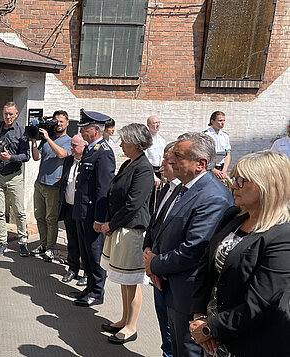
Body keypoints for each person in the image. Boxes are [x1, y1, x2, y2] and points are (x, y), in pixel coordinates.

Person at [189, 150, 290, 357]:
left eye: (242, 180)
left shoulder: (282, 235)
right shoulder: (233, 215)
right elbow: (205, 266)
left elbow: (260, 304)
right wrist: (199, 316)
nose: (234, 185)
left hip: (249, 342)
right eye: (234, 178)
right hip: (212, 337)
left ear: (268, 186)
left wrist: (210, 328)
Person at [143, 132, 234, 357]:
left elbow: (194, 249)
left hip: (189, 293)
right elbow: (163, 227)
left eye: (178, 156)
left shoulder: (212, 196)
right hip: (170, 283)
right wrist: (151, 257)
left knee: (188, 350)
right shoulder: (185, 188)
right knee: (174, 346)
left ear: (200, 164)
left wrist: (154, 264)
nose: (170, 160)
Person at [100, 123, 154, 344]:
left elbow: (133, 204)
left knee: (131, 279)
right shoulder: (129, 163)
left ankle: (131, 327)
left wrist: (111, 225)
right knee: (124, 279)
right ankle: (124, 319)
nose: (120, 143)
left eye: (124, 140)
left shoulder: (144, 168)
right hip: (121, 227)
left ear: (135, 142)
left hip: (132, 229)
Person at [70, 109, 115, 307]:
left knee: (95, 254)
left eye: (85, 129)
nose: (81, 133)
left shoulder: (104, 153)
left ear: (96, 129)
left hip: (92, 215)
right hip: (81, 211)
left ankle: (97, 292)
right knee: (86, 253)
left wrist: (99, 218)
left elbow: (103, 190)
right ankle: (89, 286)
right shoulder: (90, 149)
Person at [143, 142, 180, 357]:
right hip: (156, 268)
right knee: (165, 330)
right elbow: (155, 222)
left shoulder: (189, 194)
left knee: (175, 333)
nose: (162, 165)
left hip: (170, 272)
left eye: (168, 161)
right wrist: (147, 250)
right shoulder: (166, 188)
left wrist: (155, 264)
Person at [0, 101, 31, 257]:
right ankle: (2, 242)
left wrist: (10, 157)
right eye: (6, 114)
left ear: (16, 114)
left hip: (14, 176)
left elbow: (26, 156)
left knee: (19, 211)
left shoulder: (22, 132)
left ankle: (23, 242)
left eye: (11, 114)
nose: (8, 117)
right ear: (3, 114)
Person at [30, 110, 71, 262]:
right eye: (56, 121)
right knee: (40, 217)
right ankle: (43, 245)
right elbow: (36, 157)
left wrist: (48, 138)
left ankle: (51, 249)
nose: (58, 124)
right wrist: (34, 141)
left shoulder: (68, 140)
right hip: (40, 182)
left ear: (67, 123)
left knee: (51, 219)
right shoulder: (47, 139)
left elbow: (62, 154)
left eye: (61, 121)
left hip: (54, 184)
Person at [58, 134, 88, 284]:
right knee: (72, 240)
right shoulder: (69, 160)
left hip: (82, 210)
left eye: (74, 146)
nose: (71, 148)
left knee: (85, 242)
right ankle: (73, 269)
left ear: (84, 146)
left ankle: (87, 273)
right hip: (69, 207)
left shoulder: (88, 162)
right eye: (71, 145)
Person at [203, 111, 231, 180]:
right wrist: (213, 170)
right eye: (220, 120)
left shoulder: (225, 136)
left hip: (221, 169)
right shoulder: (205, 135)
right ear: (212, 121)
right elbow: (202, 155)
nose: (223, 123)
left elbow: (227, 154)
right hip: (208, 169)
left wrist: (224, 170)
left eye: (224, 120)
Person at [145, 115, 167, 188]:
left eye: (158, 122)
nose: (157, 125)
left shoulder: (162, 140)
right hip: (150, 172)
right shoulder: (146, 140)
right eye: (155, 123)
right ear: (148, 125)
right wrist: (153, 176)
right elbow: (145, 159)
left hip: (161, 171)